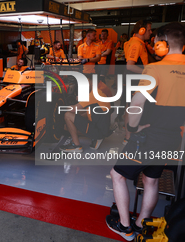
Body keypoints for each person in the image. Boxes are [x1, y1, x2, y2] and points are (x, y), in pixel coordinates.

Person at [106, 22, 185, 241]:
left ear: (162, 44)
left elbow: (137, 103)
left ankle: (125, 228)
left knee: (117, 175)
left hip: (150, 135)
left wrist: (131, 127)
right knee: (151, 180)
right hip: (173, 138)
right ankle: (141, 224)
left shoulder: (155, 68)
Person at [60, 74, 111, 152]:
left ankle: (76, 146)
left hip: (98, 131)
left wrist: (61, 105)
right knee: (66, 127)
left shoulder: (94, 94)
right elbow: (91, 112)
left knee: (67, 115)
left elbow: (73, 109)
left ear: (91, 82)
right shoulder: (98, 92)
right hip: (102, 129)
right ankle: (97, 137)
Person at [122, 20, 152, 145]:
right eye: (149, 30)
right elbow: (130, 66)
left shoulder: (137, 43)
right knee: (131, 109)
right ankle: (128, 138)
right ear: (142, 30)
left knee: (129, 108)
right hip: (134, 79)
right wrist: (147, 73)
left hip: (133, 79)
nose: (150, 32)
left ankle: (128, 136)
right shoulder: (136, 44)